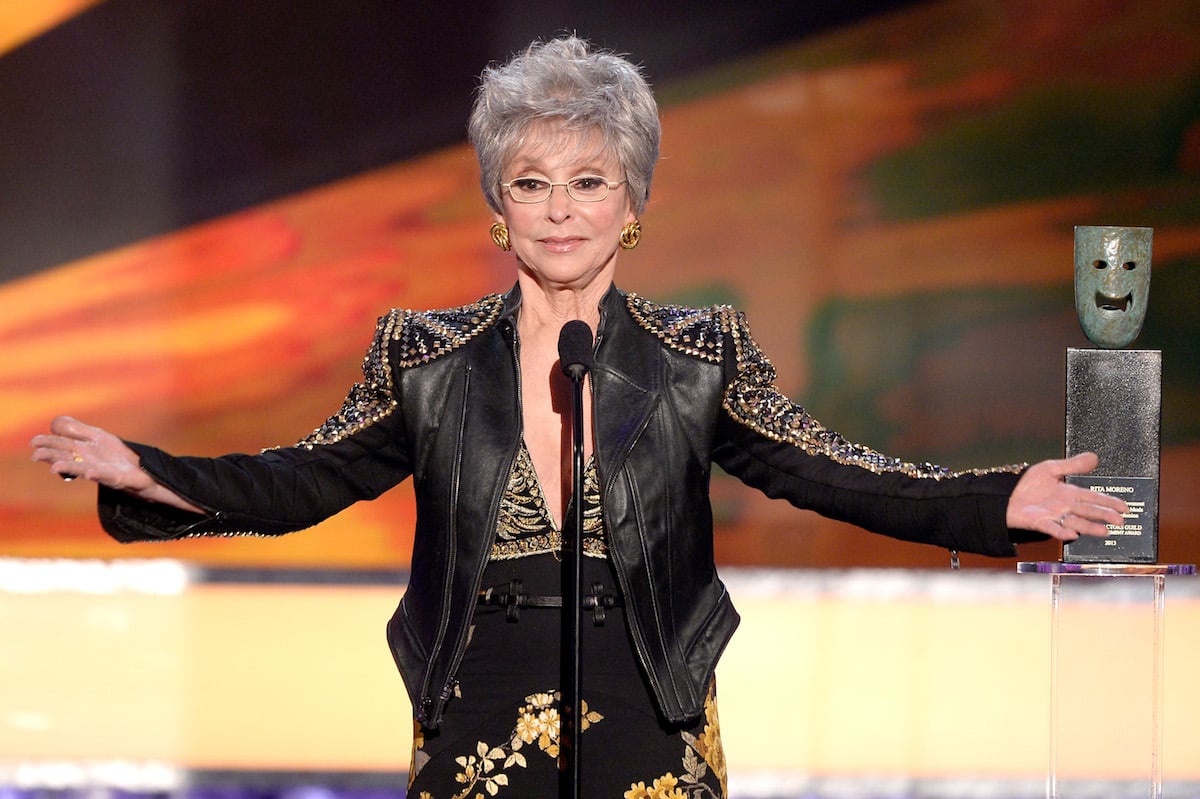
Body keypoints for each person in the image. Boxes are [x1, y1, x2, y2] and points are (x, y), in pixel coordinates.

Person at [31, 35, 1126, 799]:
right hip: (479, 707)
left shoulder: (702, 355)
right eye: (531, 182)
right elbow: (304, 478)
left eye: (590, 181)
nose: (561, 209)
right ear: (495, 206)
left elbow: (832, 472)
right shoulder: (424, 356)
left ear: (633, 202)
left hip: (651, 695)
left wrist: (999, 500)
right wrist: (149, 470)